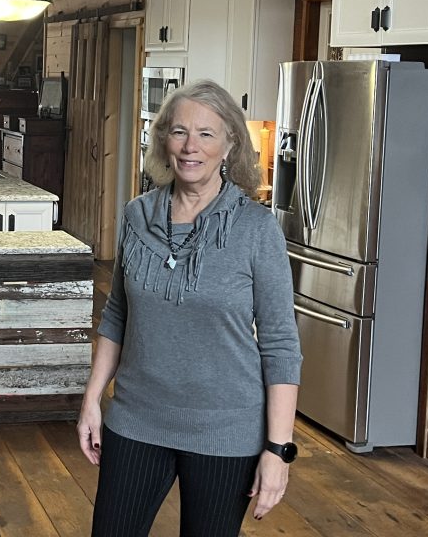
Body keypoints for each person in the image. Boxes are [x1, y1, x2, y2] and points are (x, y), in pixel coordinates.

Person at [78, 79, 302, 536]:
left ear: (230, 144)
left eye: (206, 134)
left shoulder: (256, 229)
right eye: (178, 131)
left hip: (226, 431)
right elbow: (117, 314)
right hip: (137, 418)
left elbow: (281, 343)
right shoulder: (136, 216)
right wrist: (91, 400)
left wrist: (278, 450)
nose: (189, 146)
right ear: (163, 139)